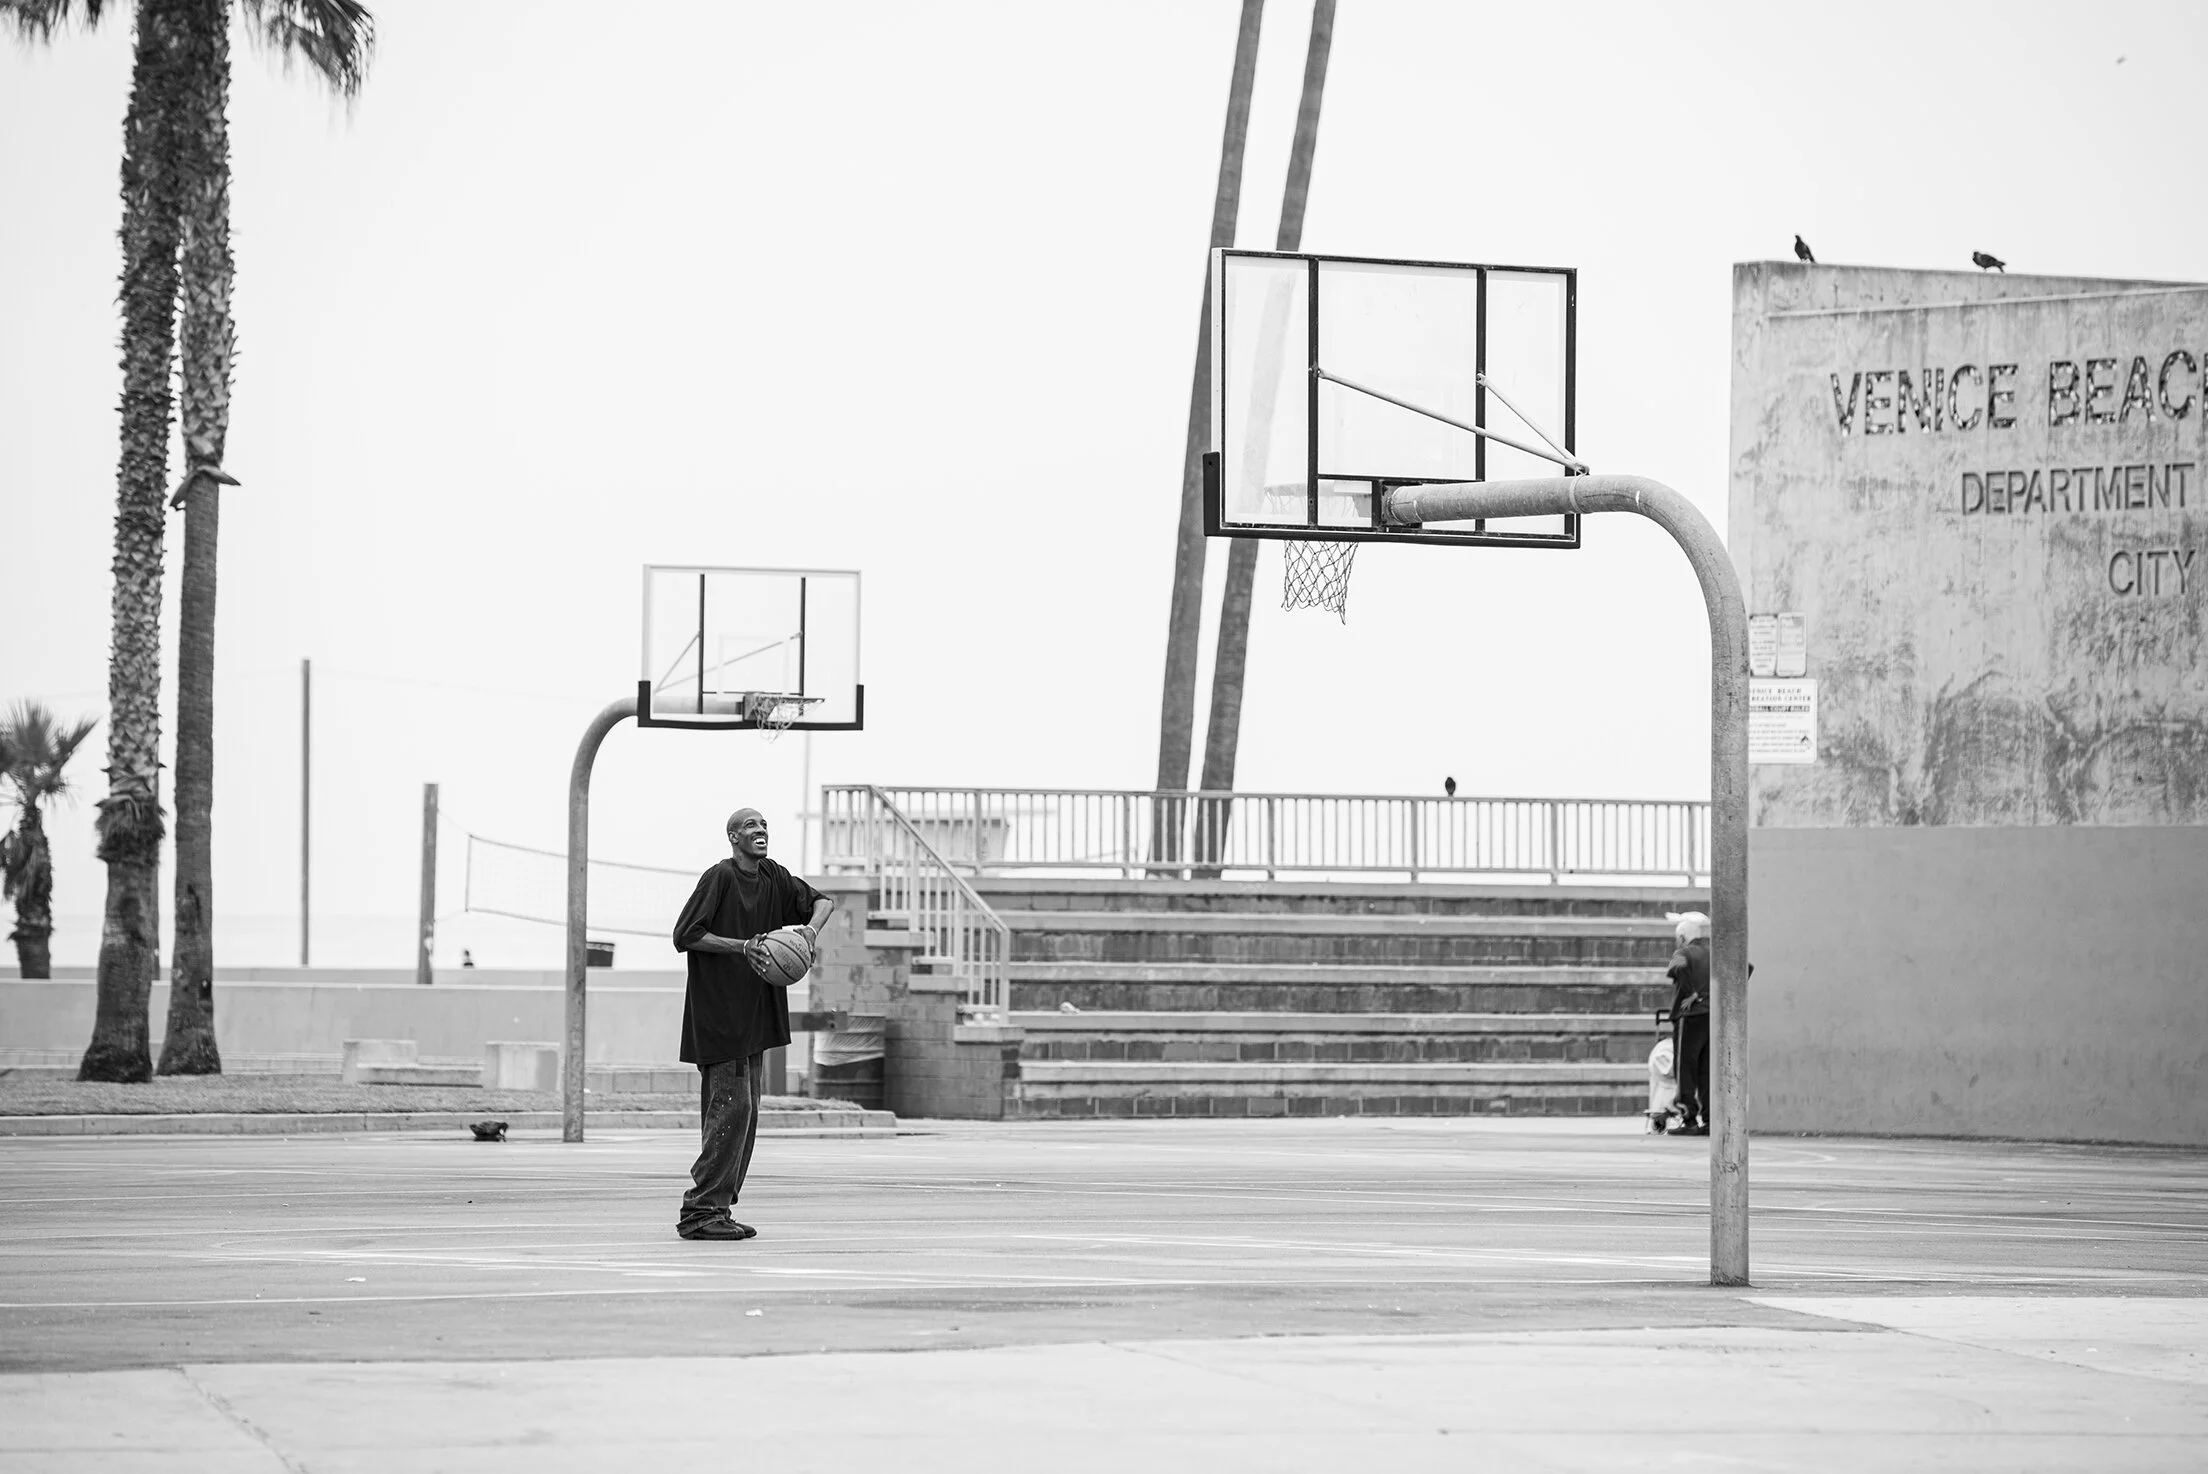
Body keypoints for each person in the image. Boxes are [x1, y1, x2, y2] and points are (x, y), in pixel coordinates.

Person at [671, 807, 834, 1241]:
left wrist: (809, 933)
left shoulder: (774, 877)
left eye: (763, 824)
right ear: (732, 837)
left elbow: (823, 901)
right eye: (750, 825)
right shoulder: (719, 878)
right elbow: (685, 934)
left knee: (748, 1114)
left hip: (755, 1015)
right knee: (731, 1109)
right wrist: (742, 946)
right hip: (719, 1015)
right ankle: (700, 1211)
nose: (760, 830)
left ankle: (717, 1209)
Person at [1664, 911, 1711, 1136]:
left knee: (1685, 1069)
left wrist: (1691, 993)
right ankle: (1710, 1119)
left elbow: (1677, 969)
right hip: (1712, 1017)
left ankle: (1688, 1117)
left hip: (1689, 1017)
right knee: (1706, 1070)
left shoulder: (1682, 952)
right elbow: (1746, 967)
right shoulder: (1715, 953)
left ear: (1682, 937)